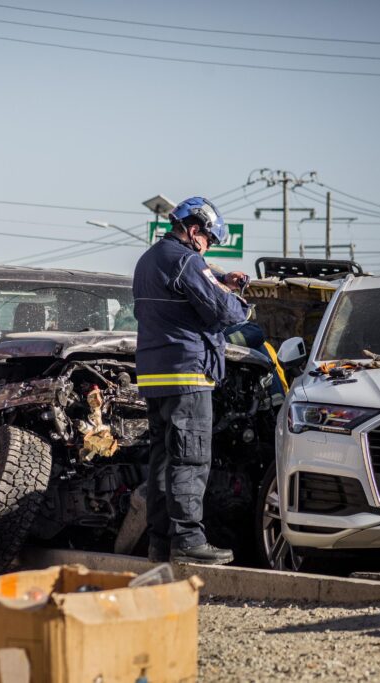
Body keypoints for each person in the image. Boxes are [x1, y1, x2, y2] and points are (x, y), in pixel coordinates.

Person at [132, 196, 250, 565]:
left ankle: (160, 543)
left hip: (155, 374)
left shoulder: (149, 259)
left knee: (163, 461)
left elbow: (185, 296)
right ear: (195, 229)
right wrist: (236, 295)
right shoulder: (187, 259)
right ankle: (188, 540)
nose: (208, 246)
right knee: (191, 458)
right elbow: (223, 310)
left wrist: (216, 279)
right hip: (188, 372)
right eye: (209, 240)